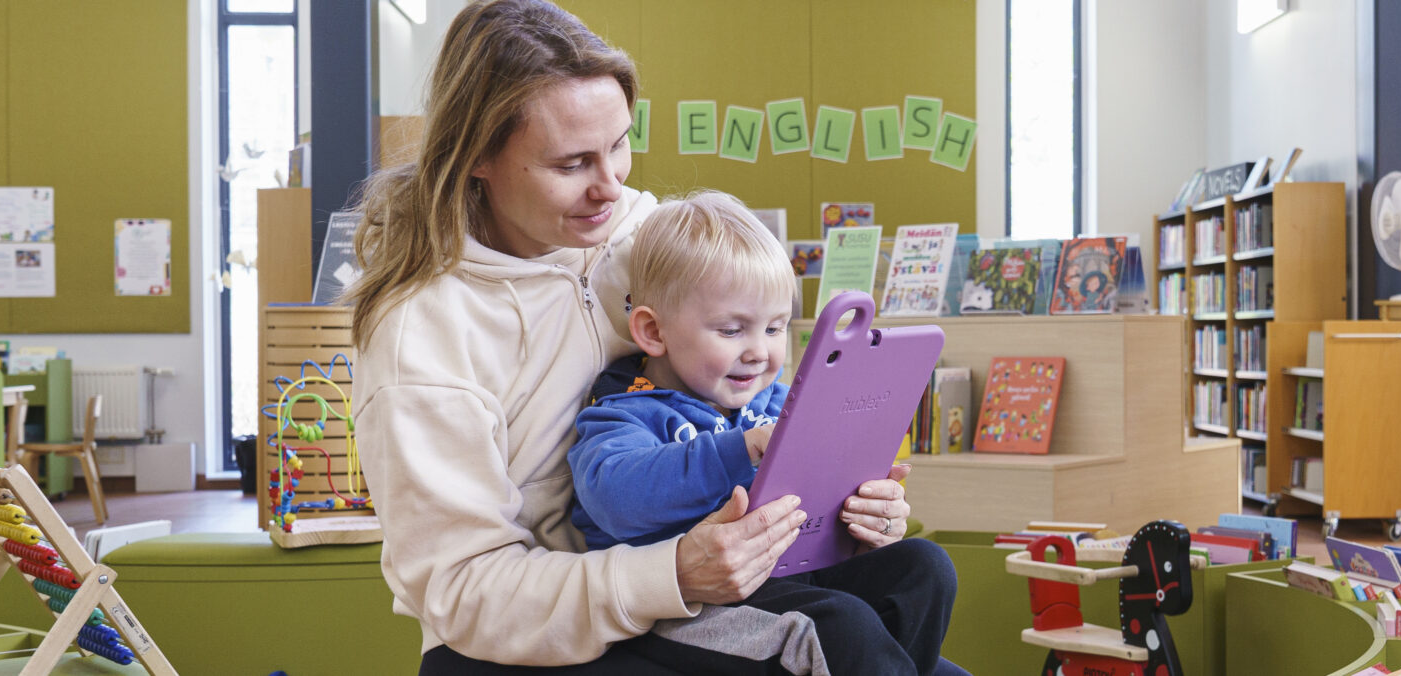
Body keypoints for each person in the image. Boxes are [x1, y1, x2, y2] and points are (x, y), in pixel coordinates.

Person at [345, 1, 946, 673]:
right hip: (527, 643)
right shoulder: (421, 332)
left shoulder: (637, 237)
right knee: (849, 644)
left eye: (620, 144)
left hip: (696, 589)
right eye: (571, 163)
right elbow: (462, 595)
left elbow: (755, 384)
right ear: (477, 155)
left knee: (916, 586)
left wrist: (848, 514)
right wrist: (673, 575)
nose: (612, 187)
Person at [565, 191, 957, 675]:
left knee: (925, 567)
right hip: (687, 611)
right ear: (653, 331)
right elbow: (616, 498)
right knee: (844, 626)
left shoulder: (777, 402)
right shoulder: (624, 413)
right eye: (732, 330)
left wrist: (869, 516)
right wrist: (740, 449)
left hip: (795, 580)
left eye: (775, 328)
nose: (759, 352)